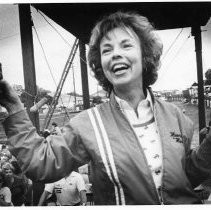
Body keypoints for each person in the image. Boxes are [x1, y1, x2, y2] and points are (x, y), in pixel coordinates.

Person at [1, 11, 211, 205]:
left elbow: (185, 177)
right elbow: (41, 165)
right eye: (107, 50)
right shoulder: (87, 124)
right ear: (100, 63)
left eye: (126, 45)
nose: (115, 54)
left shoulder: (177, 117)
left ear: (145, 55)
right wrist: (12, 104)